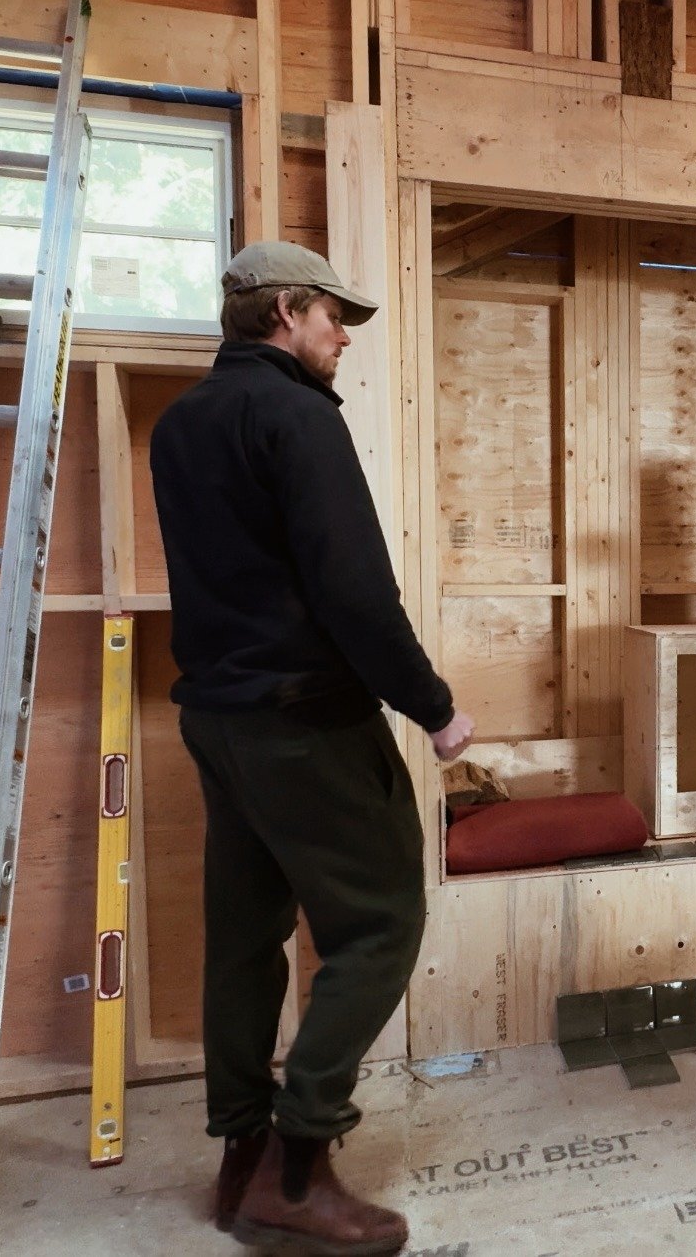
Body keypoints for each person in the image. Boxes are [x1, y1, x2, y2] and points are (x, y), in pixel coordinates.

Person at [151, 241, 475, 1255]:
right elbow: (352, 594)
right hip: (305, 719)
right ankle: (299, 1167)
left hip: (217, 718)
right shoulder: (296, 416)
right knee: (381, 922)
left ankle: (241, 1159)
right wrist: (432, 707)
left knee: (246, 936)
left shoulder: (181, 424)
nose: (343, 338)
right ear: (286, 310)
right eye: (335, 317)